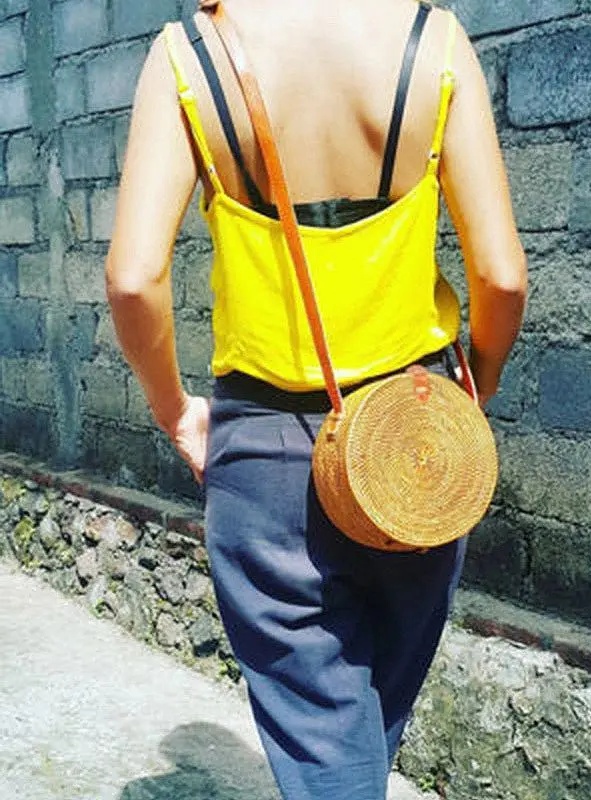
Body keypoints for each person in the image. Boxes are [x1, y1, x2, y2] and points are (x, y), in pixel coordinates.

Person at [106, 0, 527, 797]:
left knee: (329, 746)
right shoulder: (434, 41)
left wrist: (175, 412)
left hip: (264, 455)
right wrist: (479, 386)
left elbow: (132, 280)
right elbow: (502, 278)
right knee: (363, 728)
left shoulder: (189, 53)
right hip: (414, 446)